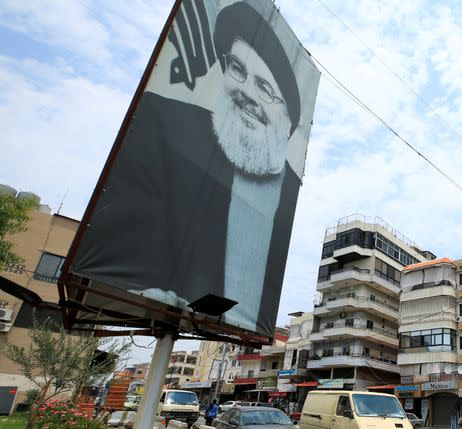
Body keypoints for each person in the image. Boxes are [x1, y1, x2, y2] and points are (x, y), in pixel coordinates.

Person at [70, 0, 305, 335]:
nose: (247, 93)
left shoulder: (287, 187)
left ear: (288, 122)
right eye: (238, 69)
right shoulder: (164, 128)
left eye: (266, 89)